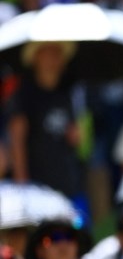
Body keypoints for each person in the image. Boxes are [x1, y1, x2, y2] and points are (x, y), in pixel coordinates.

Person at [7, 42, 85, 207]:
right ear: (35, 58)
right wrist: (22, 188)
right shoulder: (23, 94)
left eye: (57, 54)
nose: (53, 60)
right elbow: (17, 142)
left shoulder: (67, 92)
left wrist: (76, 136)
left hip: (67, 181)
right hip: (36, 185)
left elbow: (75, 139)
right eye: (47, 54)